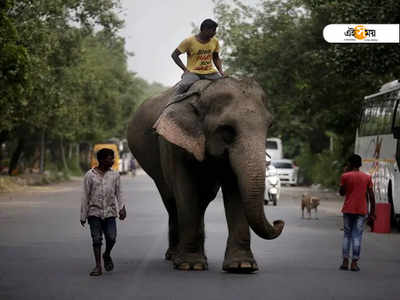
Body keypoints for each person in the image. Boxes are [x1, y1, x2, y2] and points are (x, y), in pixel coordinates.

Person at [80, 148, 127, 276]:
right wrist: (83, 215)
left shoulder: (115, 175)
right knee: (96, 239)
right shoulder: (90, 175)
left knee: (112, 238)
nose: (112, 161)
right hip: (94, 213)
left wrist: (122, 207)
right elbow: (85, 195)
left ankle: (106, 254)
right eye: (110, 158)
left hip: (110, 213)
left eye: (113, 158)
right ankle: (98, 266)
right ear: (101, 160)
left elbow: (119, 192)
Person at [338, 154, 375, 272]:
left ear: (349, 164)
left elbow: (342, 193)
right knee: (357, 236)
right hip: (361, 210)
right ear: (359, 165)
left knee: (347, 235)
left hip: (348, 209)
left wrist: (344, 176)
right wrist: (372, 213)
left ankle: (345, 262)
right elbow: (371, 196)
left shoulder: (345, 176)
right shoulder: (367, 177)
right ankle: (354, 263)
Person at [171, 18, 224, 95]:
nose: (214, 33)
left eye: (215, 30)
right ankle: (172, 101)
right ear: (204, 29)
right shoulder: (189, 41)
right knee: (183, 85)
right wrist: (185, 70)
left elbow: (216, 57)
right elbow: (174, 55)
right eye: (213, 30)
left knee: (224, 84)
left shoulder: (215, 41)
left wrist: (221, 71)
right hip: (193, 72)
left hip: (210, 72)